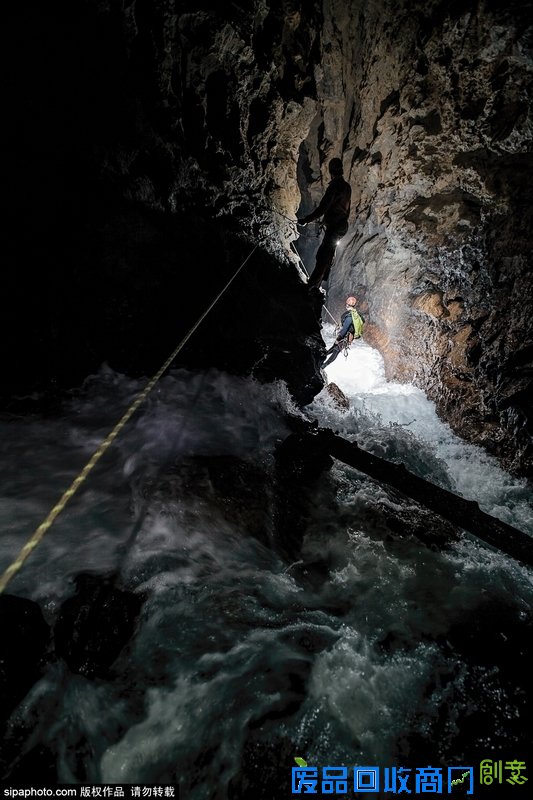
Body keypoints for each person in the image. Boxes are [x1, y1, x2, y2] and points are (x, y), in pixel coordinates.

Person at [298, 157, 351, 290]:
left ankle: (311, 287)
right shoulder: (346, 187)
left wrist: (306, 220)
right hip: (341, 225)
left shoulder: (335, 186)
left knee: (323, 256)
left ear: (331, 171)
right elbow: (346, 209)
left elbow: (323, 207)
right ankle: (317, 285)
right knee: (327, 255)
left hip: (335, 226)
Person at [322, 295, 364, 368]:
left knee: (336, 351)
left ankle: (324, 365)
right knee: (334, 348)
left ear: (347, 305)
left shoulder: (349, 317)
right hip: (349, 337)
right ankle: (322, 357)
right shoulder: (356, 314)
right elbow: (361, 321)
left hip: (344, 337)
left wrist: (338, 339)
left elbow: (345, 329)